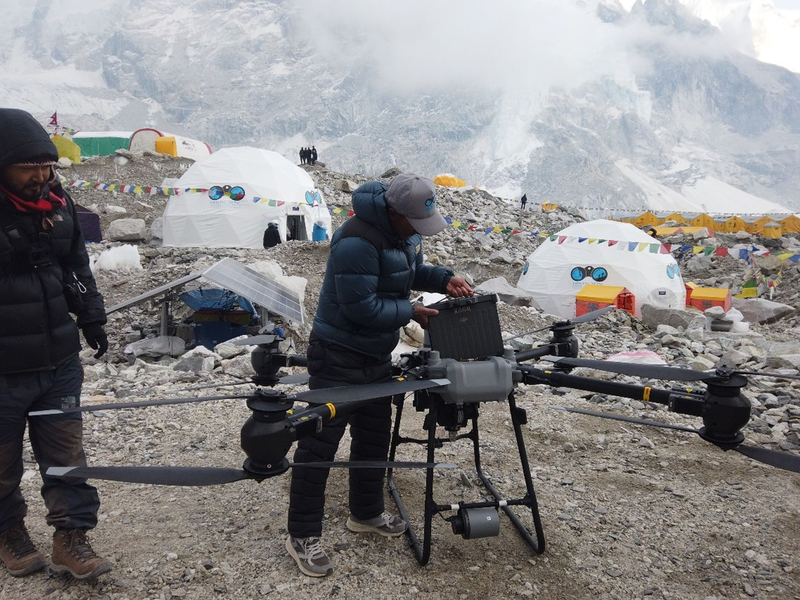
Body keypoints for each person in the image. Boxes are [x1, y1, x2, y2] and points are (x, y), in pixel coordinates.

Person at [286, 172, 473, 577]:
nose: (420, 232)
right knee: (320, 444)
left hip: (375, 353)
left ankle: (366, 513)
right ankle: (301, 534)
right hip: (337, 353)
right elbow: (362, 308)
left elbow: (409, 272)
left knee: (373, 437)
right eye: (416, 224)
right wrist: (410, 311)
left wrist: (444, 278)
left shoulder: (406, 234)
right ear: (394, 211)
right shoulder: (356, 240)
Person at [0, 108, 111, 580]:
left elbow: (75, 267)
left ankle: (72, 538)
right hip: (3, 367)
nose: (41, 176)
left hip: (59, 359)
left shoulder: (57, 204)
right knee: (2, 462)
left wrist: (92, 316)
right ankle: (8, 533)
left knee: (66, 455)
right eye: (29, 166)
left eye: (47, 166)